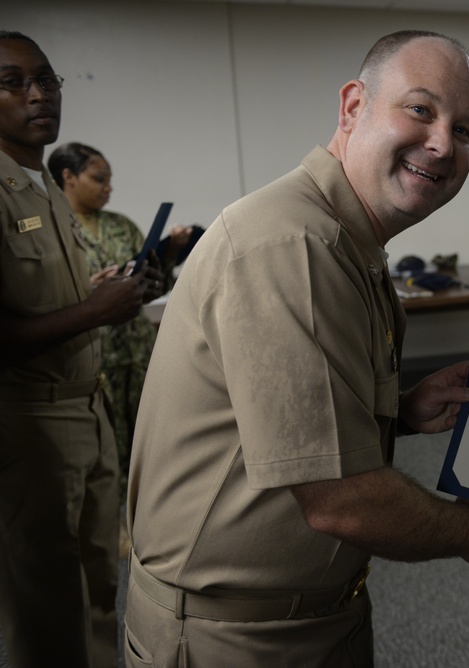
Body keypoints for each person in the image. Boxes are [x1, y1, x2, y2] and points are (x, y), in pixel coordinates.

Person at [124, 30, 469, 667]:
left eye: (465, 129)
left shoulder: (346, 240)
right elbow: (342, 499)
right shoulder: (292, 244)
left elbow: (288, 422)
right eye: (420, 110)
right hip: (236, 639)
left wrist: (402, 411)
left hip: (307, 615)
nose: (443, 143)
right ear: (353, 106)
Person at [0, 30, 151, 668]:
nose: (39, 95)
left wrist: (97, 295)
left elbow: (37, 298)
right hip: (30, 422)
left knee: (97, 590)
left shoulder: (41, 189)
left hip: (89, 414)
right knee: (48, 604)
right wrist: (93, 312)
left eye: (48, 79)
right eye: (14, 82)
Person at [48, 141, 193, 499]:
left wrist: (168, 254)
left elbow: (157, 284)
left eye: (110, 179)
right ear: (68, 177)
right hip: (93, 360)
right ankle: (112, 533)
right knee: (107, 450)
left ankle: (147, 520)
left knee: (152, 443)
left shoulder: (121, 226)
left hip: (139, 351)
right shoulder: (52, 229)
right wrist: (88, 290)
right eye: (99, 179)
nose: (108, 188)